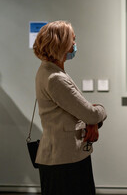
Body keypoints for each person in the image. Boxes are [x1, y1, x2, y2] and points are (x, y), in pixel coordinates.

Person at [33, 20, 107, 195]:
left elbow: (79, 113)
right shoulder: (55, 78)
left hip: (64, 157)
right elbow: (91, 114)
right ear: (61, 43)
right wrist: (100, 111)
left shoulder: (50, 71)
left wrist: (91, 121)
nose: (74, 44)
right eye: (72, 40)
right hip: (64, 161)